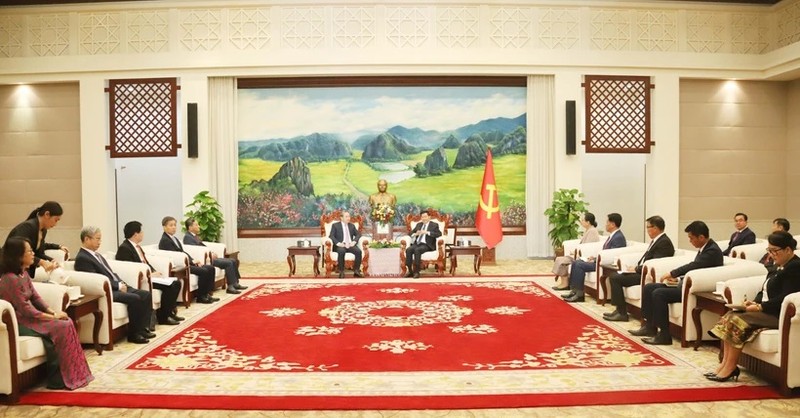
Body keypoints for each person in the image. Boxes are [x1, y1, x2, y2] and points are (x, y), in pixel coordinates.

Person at [705, 231, 800, 382]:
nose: (771, 254)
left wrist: (761, 307)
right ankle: (725, 365)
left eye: (775, 251)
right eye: (769, 250)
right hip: (767, 309)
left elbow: (786, 297)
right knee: (731, 315)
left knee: (737, 321)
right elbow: (764, 289)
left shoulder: (795, 268)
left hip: (779, 314)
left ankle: (730, 367)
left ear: (788, 250)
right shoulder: (778, 265)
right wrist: (754, 302)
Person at [0, 237, 93, 390]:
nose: (33, 254)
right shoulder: (10, 279)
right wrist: (52, 317)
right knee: (62, 326)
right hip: (19, 322)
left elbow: (35, 297)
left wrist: (53, 311)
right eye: (29, 251)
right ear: (18, 256)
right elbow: (25, 309)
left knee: (66, 321)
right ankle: (60, 379)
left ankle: (75, 374)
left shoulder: (23, 274)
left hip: (29, 317)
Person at [630, 220, 724, 345]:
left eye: (691, 238)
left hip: (692, 290)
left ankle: (664, 335)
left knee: (659, 293)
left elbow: (695, 265)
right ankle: (649, 326)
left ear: (701, 237)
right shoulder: (705, 248)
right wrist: (678, 279)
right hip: (685, 285)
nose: (690, 241)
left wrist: (673, 273)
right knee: (649, 288)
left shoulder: (712, 251)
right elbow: (696, 269)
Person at [74, 226, 155, 344]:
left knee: (146, 295)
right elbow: (96, 279)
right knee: (136, 298)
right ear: (87, 239)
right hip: (108, 292)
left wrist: (121, 283)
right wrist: (117, 286)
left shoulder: (97, 255)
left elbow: (110, 273)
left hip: (115, 286)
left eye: (100, 239)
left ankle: (143, 329)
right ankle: (134, 334)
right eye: (97, 239)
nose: (100, 242)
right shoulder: (83, 258)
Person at [603, 216, 675, 322]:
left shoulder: (664, 242)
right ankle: (619, 310)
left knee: (615, 278)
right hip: (642, 271)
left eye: (648, 227)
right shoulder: (657, 240)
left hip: (645, 275)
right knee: (615, 276)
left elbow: (654, 262)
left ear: (655, 228)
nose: (647, 230)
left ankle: (622, 313)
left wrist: (636, 269)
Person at [116, 221, 183, 326]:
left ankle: (168, 313)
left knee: (176, 283)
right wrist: (148, 275)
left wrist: (153, 271)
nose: (143, 234)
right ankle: (163, 317)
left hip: (150, 277)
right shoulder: (124, 248)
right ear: (135, 234)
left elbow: (145, 262)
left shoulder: (137, 247)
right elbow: (131, 268)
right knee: (171, 286)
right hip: (142, 280)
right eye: (141, 232)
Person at [563, 213, 627, 303]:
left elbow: (613, 255)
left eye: (607, 222)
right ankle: (575, 291)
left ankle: (580, 294)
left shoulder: (618, 237)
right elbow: (606, 252)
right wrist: (595, 258)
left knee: (579, 265)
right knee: (576, 262)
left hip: (603, 264)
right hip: (599, 261)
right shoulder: (613, 236)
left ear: (613, 224)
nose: (605, 224)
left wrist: (597, 260)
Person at [158, 216, 218, 304]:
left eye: (175, 225)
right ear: (164, 227)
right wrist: (190, 262)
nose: (174, 227)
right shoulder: (165, 240)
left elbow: (182, 252)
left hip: (186, 262)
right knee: (204, 271)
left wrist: (193, 260)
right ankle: (201, 296)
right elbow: (176, 256)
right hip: (180, 266)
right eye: (171, 225)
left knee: (210, 268)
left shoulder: (174, 238)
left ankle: (206, 294)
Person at [183, 218, 247, 294]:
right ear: (190, 227)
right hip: (205, 260)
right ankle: (230, 287)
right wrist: (209, 255)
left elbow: (203, 246)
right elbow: (195, 250)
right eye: (196, 225)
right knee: (228, 263)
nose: (199, 226)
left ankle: (235, 283)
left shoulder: (194, 236)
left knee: (233, 260)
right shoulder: (187, 237)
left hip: (208, 257)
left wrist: (212, 252)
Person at [5, 201, 69, 278]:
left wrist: (52, 260)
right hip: (10, 270)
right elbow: (18, 252)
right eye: (56, 220)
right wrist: (42, 262)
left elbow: (39, 252)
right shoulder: (28, 227)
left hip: (22, 272)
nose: (56, 224)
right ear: (47, 214)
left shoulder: (43, 230)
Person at [552, 212, 600, 291]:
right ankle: (564, 283)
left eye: (582, 220)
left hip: (584, 257)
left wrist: (576, 253)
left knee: (561, 260)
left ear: (588, 222)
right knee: (559, 259)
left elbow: (588, 247)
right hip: (579, 255)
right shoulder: (588, 230)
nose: (581, 221)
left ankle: (565, 284)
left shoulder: (592, 231)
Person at [404, 210, 442, 279]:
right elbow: (410, 233)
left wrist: (427, 232)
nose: (424, 218)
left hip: (427, 244)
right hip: (417, 243)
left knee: (417, 250)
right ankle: (410, 271)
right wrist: (415, 234)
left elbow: (439, 234)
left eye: (425, 217)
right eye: (422, 217)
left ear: (429, 217)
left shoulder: (434, 225)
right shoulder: (419, 225)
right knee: (409, 250)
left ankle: (416, 272)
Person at [329, 211, 363, 278]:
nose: (348, 218)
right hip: (341, 245)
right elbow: (331, 236)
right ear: (341, 218)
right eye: (346, 216)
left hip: (350, 245)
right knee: (341, 251)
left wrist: (354, 241)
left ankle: (356, 271)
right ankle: (341, 271)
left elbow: (358, 234)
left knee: (358, 251)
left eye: (349, 216)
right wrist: (338, 243)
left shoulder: (352, 226)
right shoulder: (335, 225)